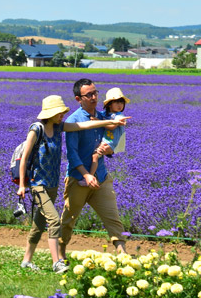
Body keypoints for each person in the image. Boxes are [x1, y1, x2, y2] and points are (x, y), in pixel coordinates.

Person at [17, 94, 127, 273]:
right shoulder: (36, 130)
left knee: (39, 223)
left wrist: (110, 124)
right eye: (59, 112)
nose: (62, 115)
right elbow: (24, 159)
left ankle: (26, 261)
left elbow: (83, 125)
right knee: (54, 221)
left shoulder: (60, 127)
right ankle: (57, 262)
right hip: (37, 184)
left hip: (52, 184)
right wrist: (22, 185)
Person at [59, 79, 129, 260]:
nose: (93, 97)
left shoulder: (103, 117)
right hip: (78, 179)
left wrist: (110, 150)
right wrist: (86, 175)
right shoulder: (73, 121)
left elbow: (113, 142)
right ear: (78, 98)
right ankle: (59, 254)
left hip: (101, 177)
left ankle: (122, 255)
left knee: (112, 218)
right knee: (68, 220)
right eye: (88, 95)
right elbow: (72, 155)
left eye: (95, 93)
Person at [83, 87, 130, 184]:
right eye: (117, 102)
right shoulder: (105, 114)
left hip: (111, 143)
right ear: (109, 105)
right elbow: (99, 115)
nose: (120, 105)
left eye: (121, 102)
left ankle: (90, 179)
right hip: (105, 141)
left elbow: (112, 126)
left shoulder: (119, 116)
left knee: (95, 156)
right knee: (92, 154)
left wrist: (98, 122)